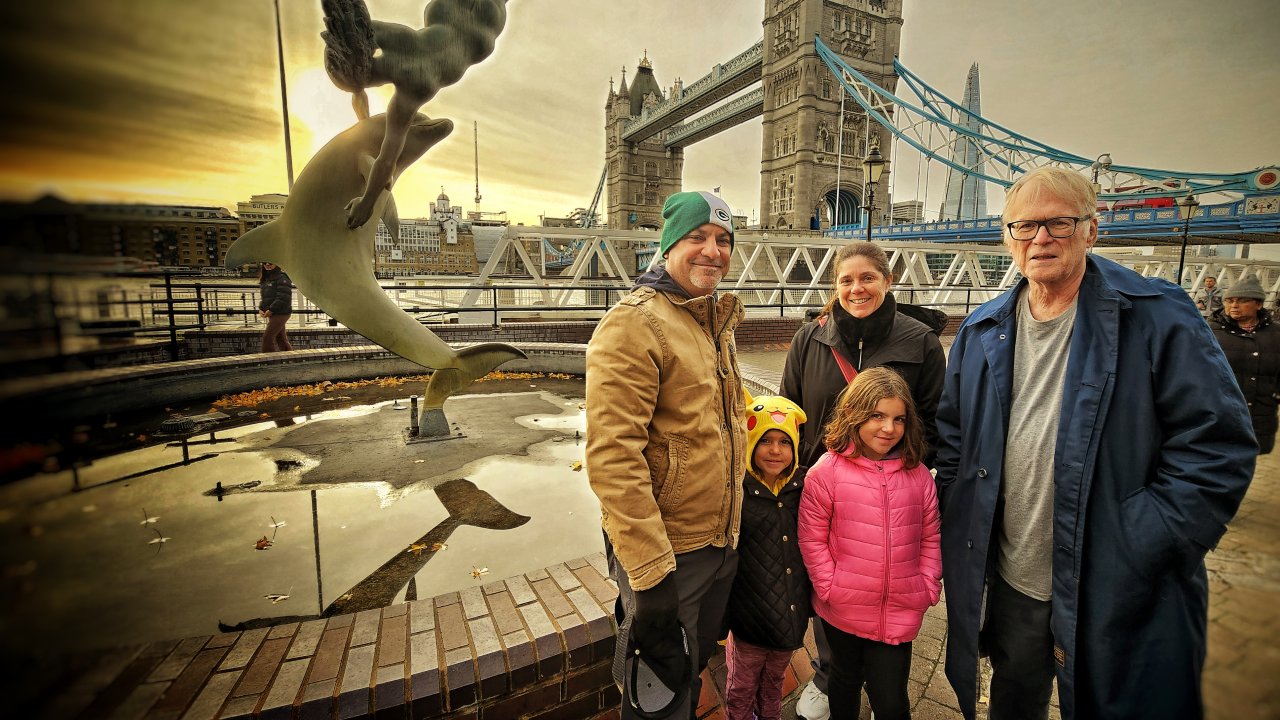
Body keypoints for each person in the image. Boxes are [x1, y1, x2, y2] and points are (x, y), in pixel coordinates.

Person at [935, 167, 1256, 720]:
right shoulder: (980, 330)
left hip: (1116, 578)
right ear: (1006, 236)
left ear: (1091, 229)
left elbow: (1217, 447)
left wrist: (1143, 541)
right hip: (1014, 577)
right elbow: (953, 443)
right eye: (1025, 226)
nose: (1040, 239)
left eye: (1058, 222)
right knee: (1014, 699)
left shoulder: (1160, 314)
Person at [585, 191, 746, 719]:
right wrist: (650, 577)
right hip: (670, 552)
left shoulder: (709, 320)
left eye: (723, 240)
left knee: (688, 676)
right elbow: (613, 457)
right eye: (698, 237)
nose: (713, 251)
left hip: (717, 541)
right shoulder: (633, 324)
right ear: (669, 244)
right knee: (658, 697)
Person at [779, 241, 946, 720]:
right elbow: (790, 415)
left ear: (887, 280)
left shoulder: (920, 342)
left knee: (879, 583)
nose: (858, 289)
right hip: (822, 490)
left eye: (868, 278)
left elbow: (936, 420)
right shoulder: (809, 340)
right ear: (835, 286)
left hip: (890, 494)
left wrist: (903, 467)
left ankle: (876, 683)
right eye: (847, 280)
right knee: (830, 590)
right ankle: (832, 676)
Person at [798, 367, 942, 720]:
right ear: (852, 414)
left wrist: (927, 585)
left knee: (891, 701)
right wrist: (830, 586)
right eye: (877, 416)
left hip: (899, 611)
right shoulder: (826, 472)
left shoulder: (918, 475)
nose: (888, 428)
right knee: (843, 685)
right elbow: (811, 536)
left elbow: (930, 535)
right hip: (843, 608)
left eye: (898, 419)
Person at [321, 0, 508, 229]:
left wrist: (366, 203)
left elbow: (387, 160)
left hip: (486, 23)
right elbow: (356, 35)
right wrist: (360, 105)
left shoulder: (414, 89)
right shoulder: (398, 38)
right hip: (454, 13)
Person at [723, 394, 811, 720]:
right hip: (749, 620)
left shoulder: (805, 487)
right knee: (741, 689)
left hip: (789, 619)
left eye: (784, 442)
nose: (775, 450)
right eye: (766, 441)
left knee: (774, 683)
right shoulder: (737, 490)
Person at [1210, 274, 1279, 453]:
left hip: (1260, 414)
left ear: (1258, 304)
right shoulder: (1210, 331)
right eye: (1230, 300)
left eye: (1242, 301)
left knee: (1248, 462)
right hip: (1219, 412)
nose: (1234, 305)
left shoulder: (1276, 334)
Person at [258, 262, 293, 353]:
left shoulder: (282, 278)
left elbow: (283, 297)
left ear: (277, 263)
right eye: (265, 263)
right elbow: (265, 297)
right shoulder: (266, 278)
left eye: (271, 262)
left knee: (267, 338)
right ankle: (289, 358)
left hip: (281, 313)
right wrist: (261, 308)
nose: (268, 264)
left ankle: (268, 362)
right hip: (273, 313)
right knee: (280, 338)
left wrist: (271, 309)